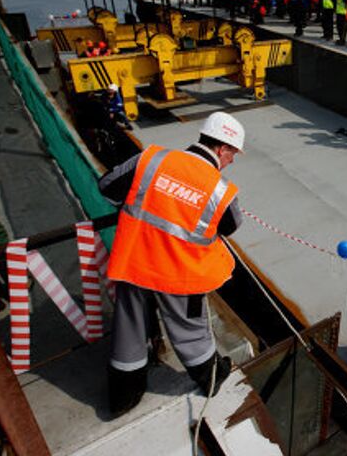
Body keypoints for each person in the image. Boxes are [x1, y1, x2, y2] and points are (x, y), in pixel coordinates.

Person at [99, 111, 245, 417]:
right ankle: (212, 377)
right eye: (233, 154)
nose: (232, 161)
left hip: (133, 263)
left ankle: (123, 398)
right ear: (222, 149)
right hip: (179, 275)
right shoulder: (221, 189)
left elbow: (108, 186)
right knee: (191, 333)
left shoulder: (151, 159)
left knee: (129, 331)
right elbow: (230, 225)